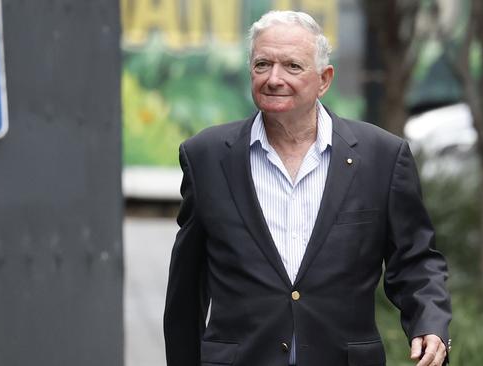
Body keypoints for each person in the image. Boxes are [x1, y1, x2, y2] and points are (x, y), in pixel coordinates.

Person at [164, 10, 452, 366]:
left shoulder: (382, 157)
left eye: (292, 67)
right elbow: (186, 290)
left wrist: (430, 323)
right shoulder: (206, 157)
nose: (274, 78)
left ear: (324, 79)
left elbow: (414, 260)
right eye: (262, 64)